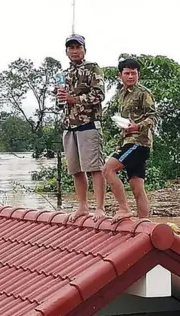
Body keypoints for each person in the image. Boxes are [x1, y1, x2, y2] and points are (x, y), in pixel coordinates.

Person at [102, 58, 160, 222]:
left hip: (138, 143)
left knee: (108, 169)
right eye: (127, 73)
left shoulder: (143, 92)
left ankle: (123, 209)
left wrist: (138, 126)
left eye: (133, 73)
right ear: (120, 75)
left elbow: (154, 116)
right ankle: (144, 224)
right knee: (137, 189)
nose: (130, 76)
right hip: (127, 141)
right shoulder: (121, 94)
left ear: (138, 74)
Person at [56, 34, 106, 221]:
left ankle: (100, 207)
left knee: (95, 168)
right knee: (76, 170)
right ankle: (82, 206)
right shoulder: (62, 74)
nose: (74, 51)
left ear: (84, 49)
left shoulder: (93, 68)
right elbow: (60, 103)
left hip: (89, 124)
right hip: (69, 126)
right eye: (71, 48)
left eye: (78, 47)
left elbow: (99, 95)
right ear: (66, 51)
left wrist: (74, 99)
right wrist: (61, 98)